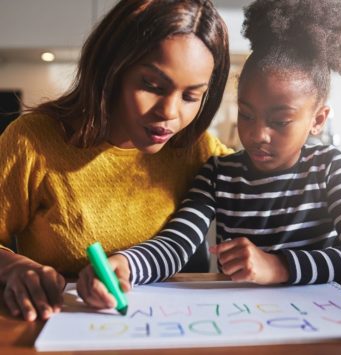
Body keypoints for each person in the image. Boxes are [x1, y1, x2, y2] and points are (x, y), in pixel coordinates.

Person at [77, 0, 341, 310]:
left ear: (318, 120)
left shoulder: (329, 168)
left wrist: (278, 267)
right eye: (246, 115)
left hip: (318, 319)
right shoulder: (219, 173)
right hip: (240, 320)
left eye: (280, 121)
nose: (258, 135)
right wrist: (126, 264)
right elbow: (177, 244)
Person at [0, 0, 232, 322]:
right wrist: (13, 266)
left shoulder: (196, 148)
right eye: (151, 85)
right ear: (113, 69)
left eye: (191, 96)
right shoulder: (32, 141)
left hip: (173, 330)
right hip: (64, 324)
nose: (170, 113)